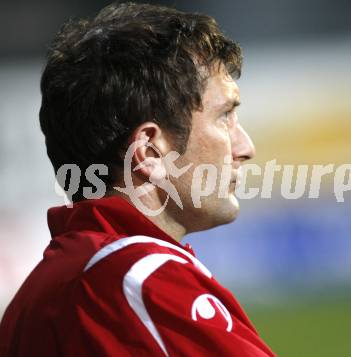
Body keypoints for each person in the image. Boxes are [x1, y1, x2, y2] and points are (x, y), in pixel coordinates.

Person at [0, 2, 275, 356]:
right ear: (148, 152)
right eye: (224, 117)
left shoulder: (39, 294)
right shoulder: (141, 281)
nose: (245, 147)